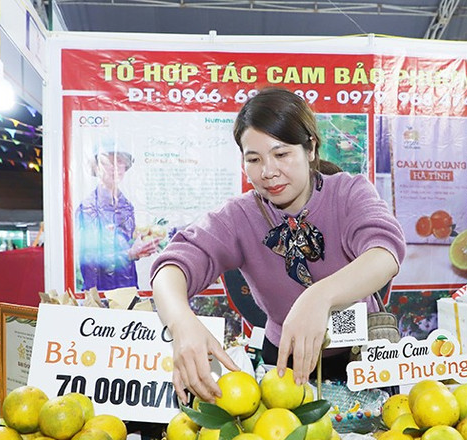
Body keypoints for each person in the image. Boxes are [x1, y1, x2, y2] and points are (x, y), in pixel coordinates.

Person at [150, 87, 406, 402]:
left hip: (363, 357)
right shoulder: (240, 216)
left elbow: (385, 252)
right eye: (254, 159)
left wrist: (319, 296)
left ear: (310, 148)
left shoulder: (349, 193)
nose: (268, 172)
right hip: (283, 364)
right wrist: (182, 323)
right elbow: (172, 265)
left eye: (281, 154)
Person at [75, 139, 161, 291]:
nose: (117, 167)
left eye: (121, 161)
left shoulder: (126, 206)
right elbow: (89, 261)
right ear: (96, 167)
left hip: (128, 291)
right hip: (100, 297)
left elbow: (126, 244)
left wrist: (143, 244)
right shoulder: (88, 208)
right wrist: (130, 254)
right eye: (110, 161)